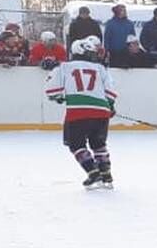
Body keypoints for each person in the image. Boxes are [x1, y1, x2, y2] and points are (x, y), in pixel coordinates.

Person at [44, 36, 117, 189]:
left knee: (75, 144)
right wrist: (109, 106)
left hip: (78, 113)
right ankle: (106, 175)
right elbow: (111, 92)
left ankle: (93, 171)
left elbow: (52, 91)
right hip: (101, 113)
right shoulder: (100, 68)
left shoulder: (64, 67)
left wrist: (59, 98)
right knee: (98, 144)